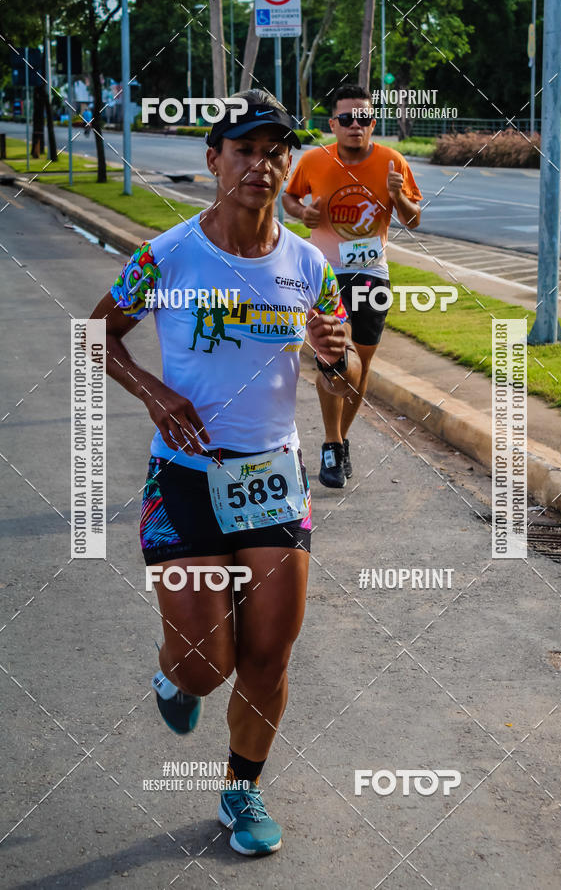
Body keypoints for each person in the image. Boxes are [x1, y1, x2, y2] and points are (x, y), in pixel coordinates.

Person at [89, 89, 360, 857]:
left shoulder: (310, 265)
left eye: (275, 151)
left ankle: (242, 793)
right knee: (209, 665)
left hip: (273, 478)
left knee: (269, 656)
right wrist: (156, 391)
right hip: (185, 480)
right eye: (244, 149)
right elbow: (96, 334)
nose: (261, 164)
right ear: (214, 160)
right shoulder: (167, 254)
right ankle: (176, 679)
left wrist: (336, 360)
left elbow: (346, 390)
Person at [283, 84, 423, 488]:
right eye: (346, 119)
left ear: (372, 123)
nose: (355, 126)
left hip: (371, 274)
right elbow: (289, 200)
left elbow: (414, 220)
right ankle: (331, 443)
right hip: (324, 273)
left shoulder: (392, 162)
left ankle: (339, 441)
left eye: (363, 119)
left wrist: (399, 199)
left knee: (360, 364)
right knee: (332, 357)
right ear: (333, 124)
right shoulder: (314, 160)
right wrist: (304, 213)